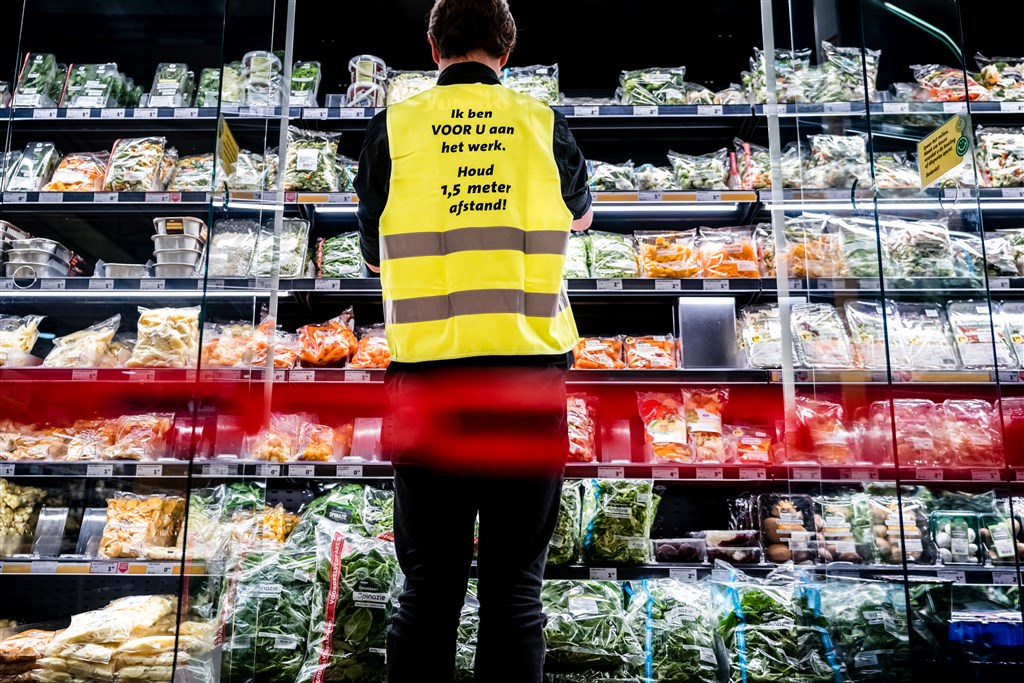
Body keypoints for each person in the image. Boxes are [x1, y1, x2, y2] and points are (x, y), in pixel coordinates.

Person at [353, 0, 593, 680]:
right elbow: (581, 220)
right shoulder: (543, 123)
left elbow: (374, 259)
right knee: (515, 594)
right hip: (526, 386)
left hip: (427, 388)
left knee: (427, 592)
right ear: (508, 49)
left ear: (433, 47)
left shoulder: (392, 128)